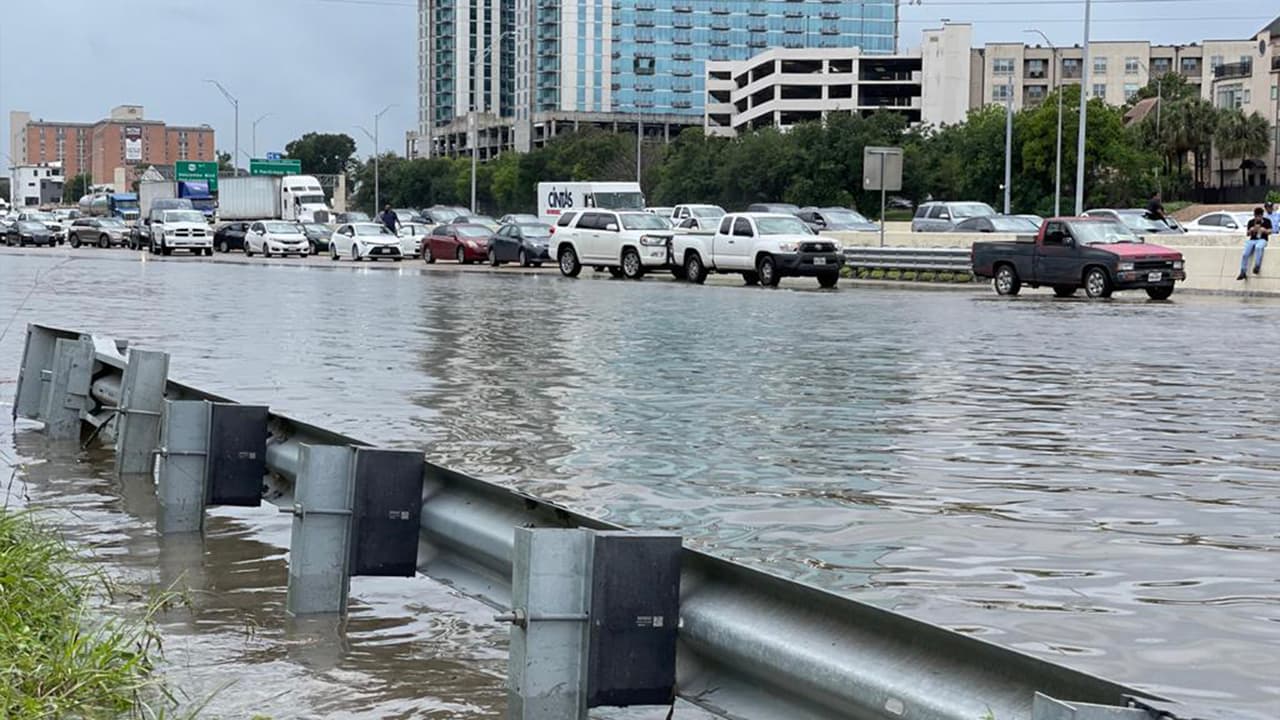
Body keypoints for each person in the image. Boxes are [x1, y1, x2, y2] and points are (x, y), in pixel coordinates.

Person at [1237, 206, 1272, 280]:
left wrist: (1264, 230)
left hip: (1262, 239)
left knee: (1258, 247)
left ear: (1262, 215)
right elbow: (1247, 234)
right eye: (1256, 216)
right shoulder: (1251, 222)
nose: (1257, 218)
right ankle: (1243, 271)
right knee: (1245, 254)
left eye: (1259, 216)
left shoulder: (1267, 221)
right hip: (1252, 240)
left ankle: (1257, 266)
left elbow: (1270, 231)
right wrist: (1251, 230)